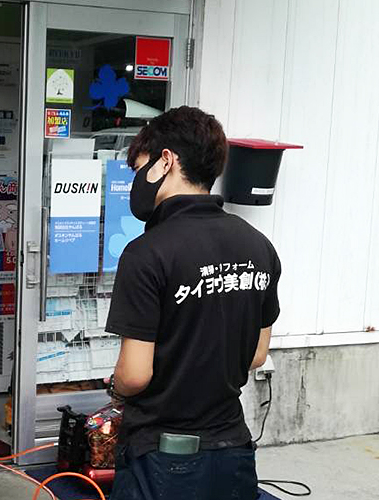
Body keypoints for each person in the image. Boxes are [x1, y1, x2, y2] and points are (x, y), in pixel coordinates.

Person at [105, 106, 280, 500]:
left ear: (166, 161)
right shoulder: (259, 246)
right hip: (233, 449)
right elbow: (256, 355)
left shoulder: (147, 253)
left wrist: (115, 387)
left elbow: (135, 375)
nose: (137, 182)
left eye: (140, 168)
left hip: (163, 457)